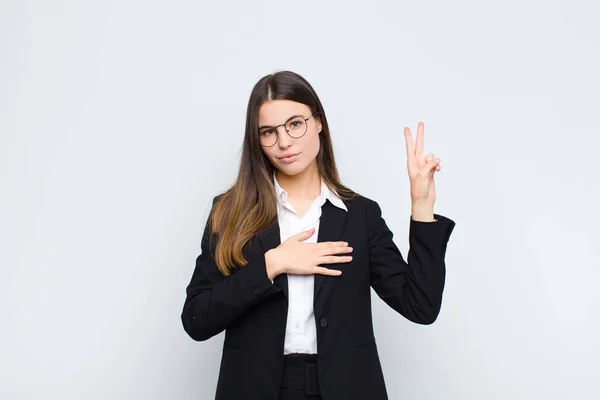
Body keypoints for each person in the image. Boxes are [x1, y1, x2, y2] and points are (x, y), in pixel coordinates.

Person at [181, 70, 456, 400]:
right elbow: (196, 318)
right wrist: (272, 263)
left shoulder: (360, 216)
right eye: (268, 132)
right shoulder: (230, 212)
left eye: (295, 124)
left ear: (318, 122)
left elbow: (420, 306)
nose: (284, 142)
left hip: (345, 386)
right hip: (256, 386)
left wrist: (421, 206)